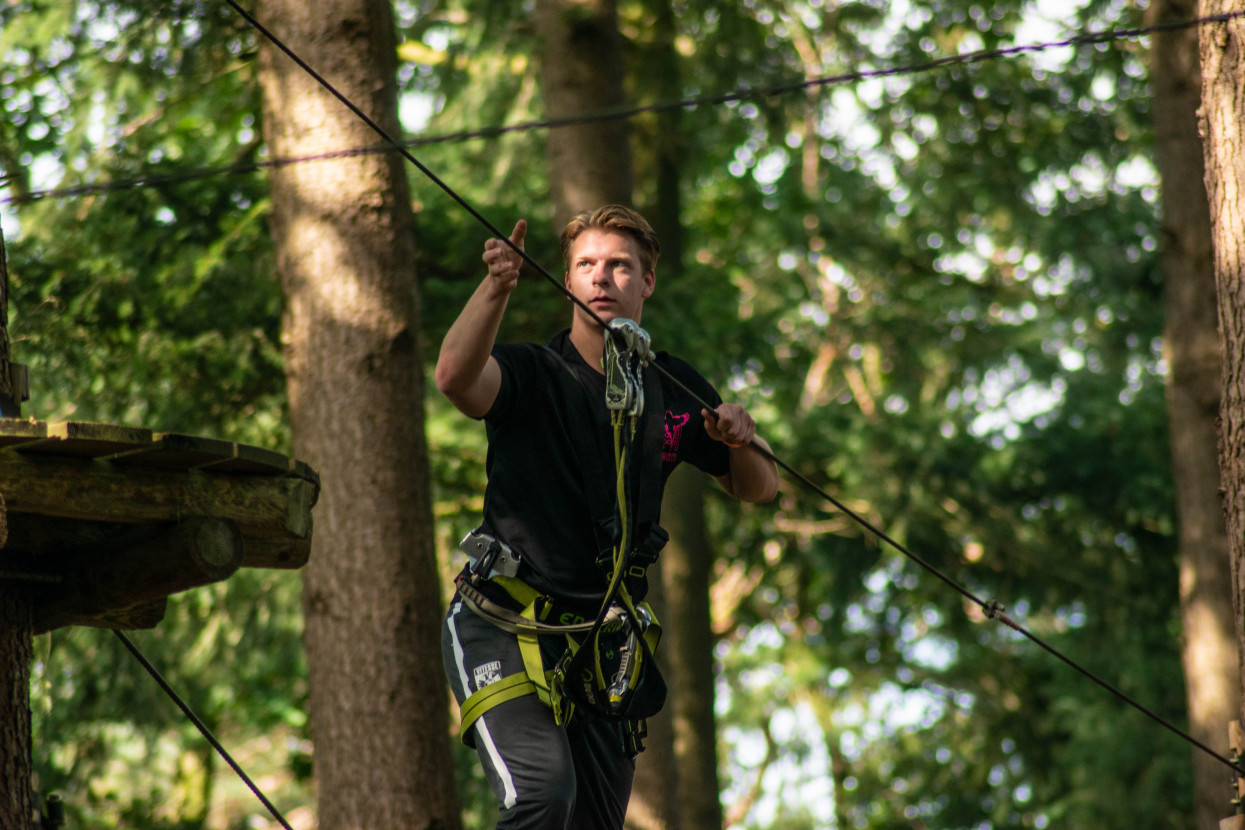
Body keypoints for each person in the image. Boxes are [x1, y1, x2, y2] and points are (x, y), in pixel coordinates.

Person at [435, 205, 778, 829]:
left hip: (601, 649)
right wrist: (496, 288)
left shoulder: (670, 387)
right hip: (501, 625)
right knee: (541, 795)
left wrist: (739, 436)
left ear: (646, 281)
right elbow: (456, 379)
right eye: (586, 265)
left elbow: (759, 487)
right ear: (567, 281)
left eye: (620, 266)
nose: (601, 278)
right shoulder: (532, 374)